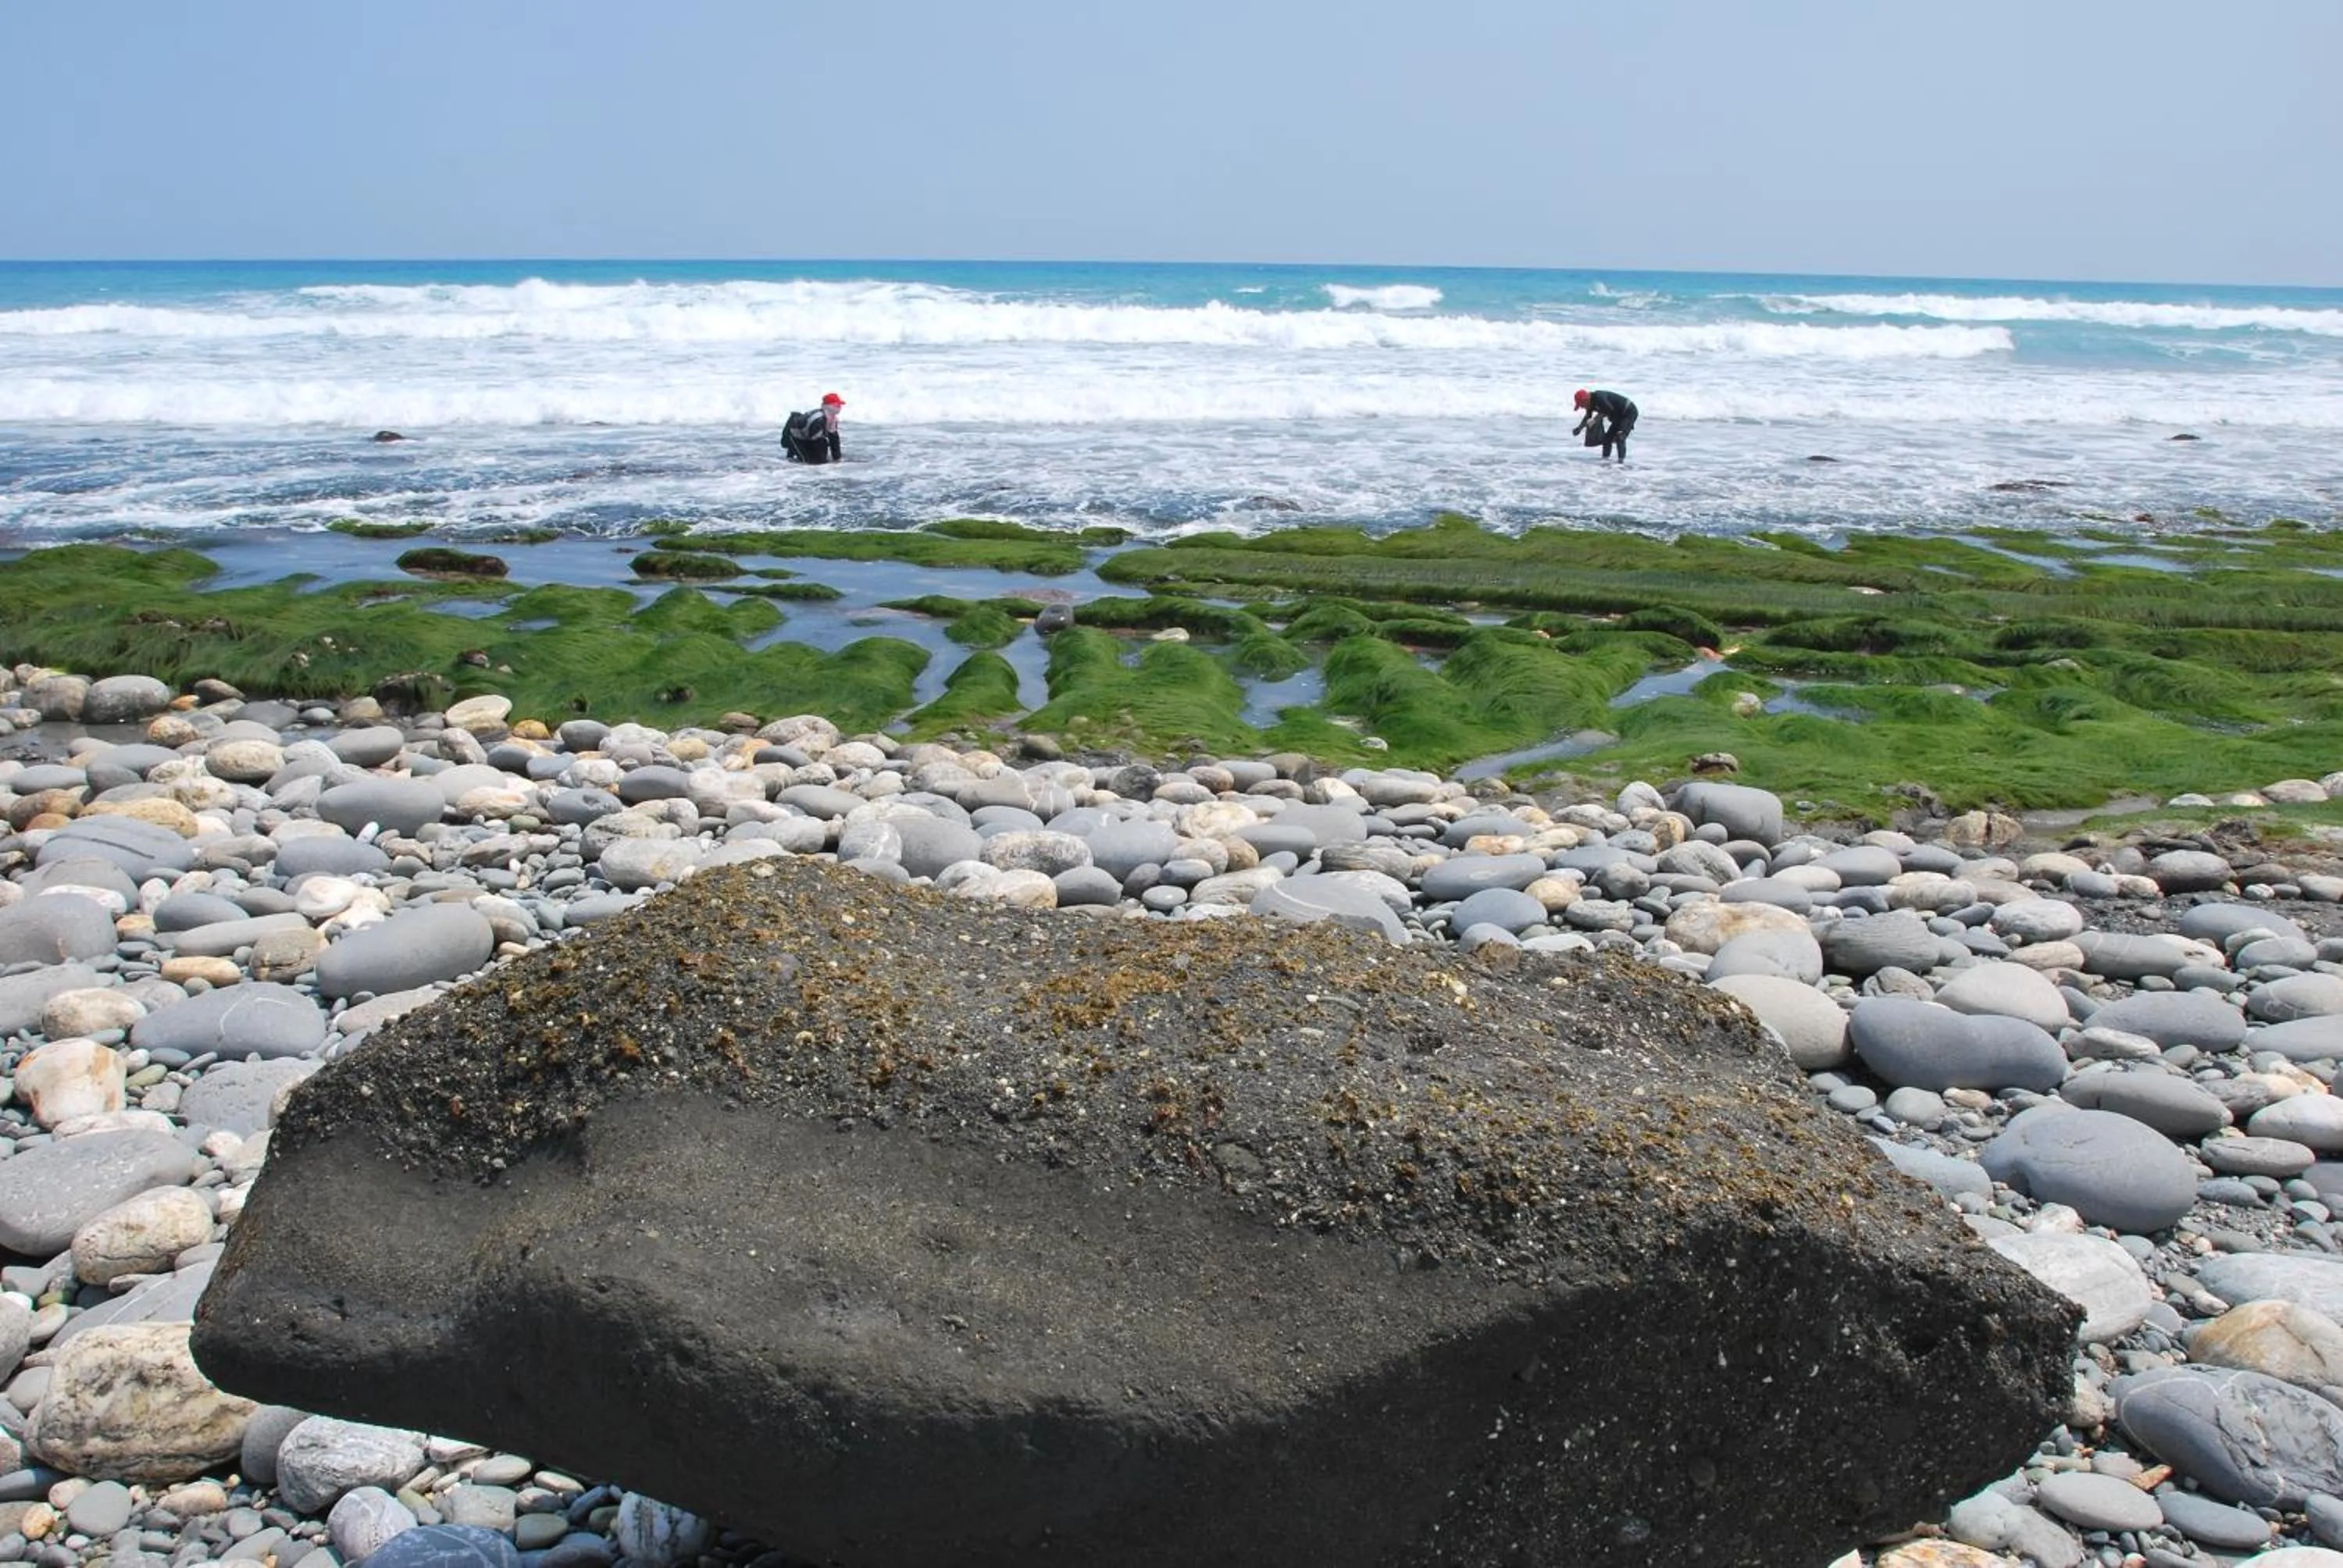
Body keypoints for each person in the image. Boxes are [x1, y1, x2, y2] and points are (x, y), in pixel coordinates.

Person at [1572, 387, 1638, 461]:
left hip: (1628, 412)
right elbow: (1588, 417)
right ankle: (1605, 462)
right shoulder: (1590, 404)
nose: (1582, 407)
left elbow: (1608, 410)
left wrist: (1595, 420)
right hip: (1618, 417)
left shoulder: (1600, 397)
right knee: (1606, 440)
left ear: (1586, 400)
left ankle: (1621, 464)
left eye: (1581, 405)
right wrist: (1579, 428)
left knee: (1620, 436)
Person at [783, 393, 845, 465]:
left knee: (820, 458)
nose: (840, 408)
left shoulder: (833, 419)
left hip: (808, 436)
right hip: (794, 436)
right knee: (806, 462)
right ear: (828, 407)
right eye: (837, 405)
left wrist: (837, 459)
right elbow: (816, 443)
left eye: (840, 406)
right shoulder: (818, 419)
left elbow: (834, 440)